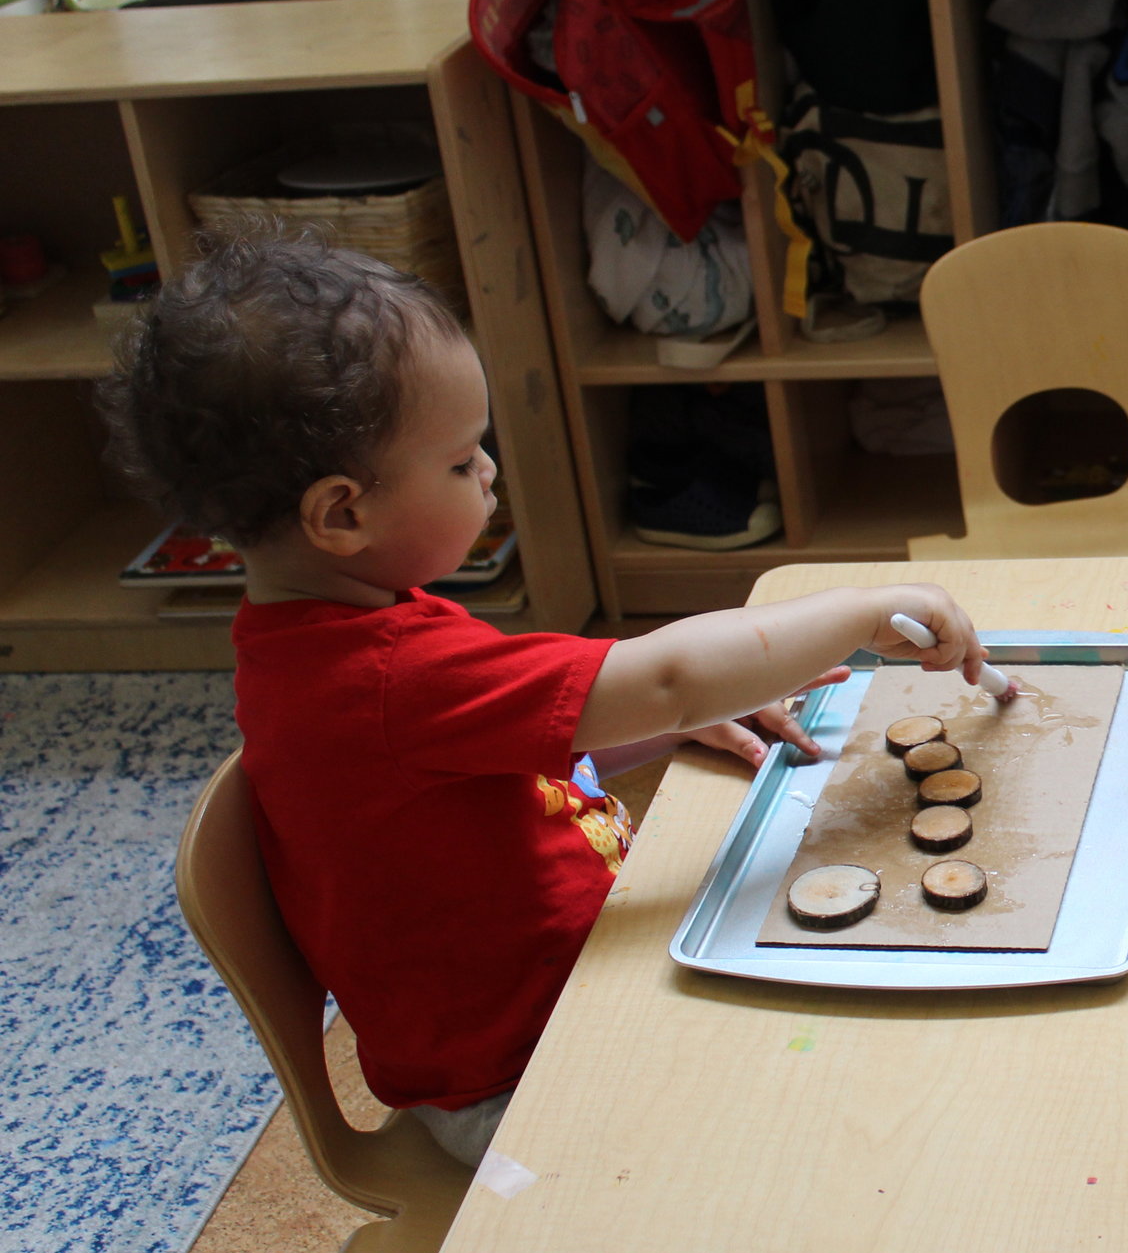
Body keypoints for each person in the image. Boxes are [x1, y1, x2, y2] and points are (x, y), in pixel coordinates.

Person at [98, 234, 993, 1167]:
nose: (488, 472)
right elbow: (665, 672)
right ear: (341, 514)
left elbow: (485, 767)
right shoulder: (386, 676)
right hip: (527, 1082)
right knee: (861, 1114)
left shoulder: (311, 635)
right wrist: (855, 608)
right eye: (458, 461)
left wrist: (662, 727)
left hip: (558, 1000)